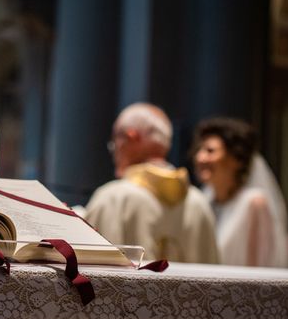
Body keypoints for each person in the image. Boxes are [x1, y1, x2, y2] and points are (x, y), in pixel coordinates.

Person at [84, 103, 219, 263]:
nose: (114, 151)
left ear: (131, 137)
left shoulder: (113, 199)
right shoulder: (199, 203)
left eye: (115, 142)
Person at [192, 117, 288, 268]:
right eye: (199, 150)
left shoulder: (254, 204)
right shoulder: (203, 200)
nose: (200, 157)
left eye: (210, 151)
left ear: (236, 159)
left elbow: (262, 269)